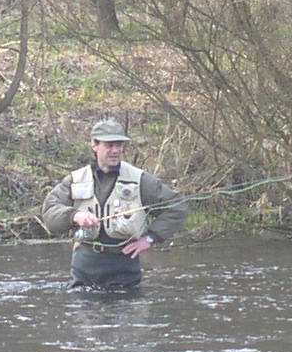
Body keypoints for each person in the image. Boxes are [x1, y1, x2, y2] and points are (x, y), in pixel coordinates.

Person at [40, 119, 188, 291]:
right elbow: (50, 212)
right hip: (84, 268)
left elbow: (177, 206)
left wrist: (150, 238)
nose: (116, 150)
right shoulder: (75, 179)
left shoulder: (139, 180)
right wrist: (75, 216)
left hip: (124, 268)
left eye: (119, 145)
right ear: (94, 145)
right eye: (110, 145)